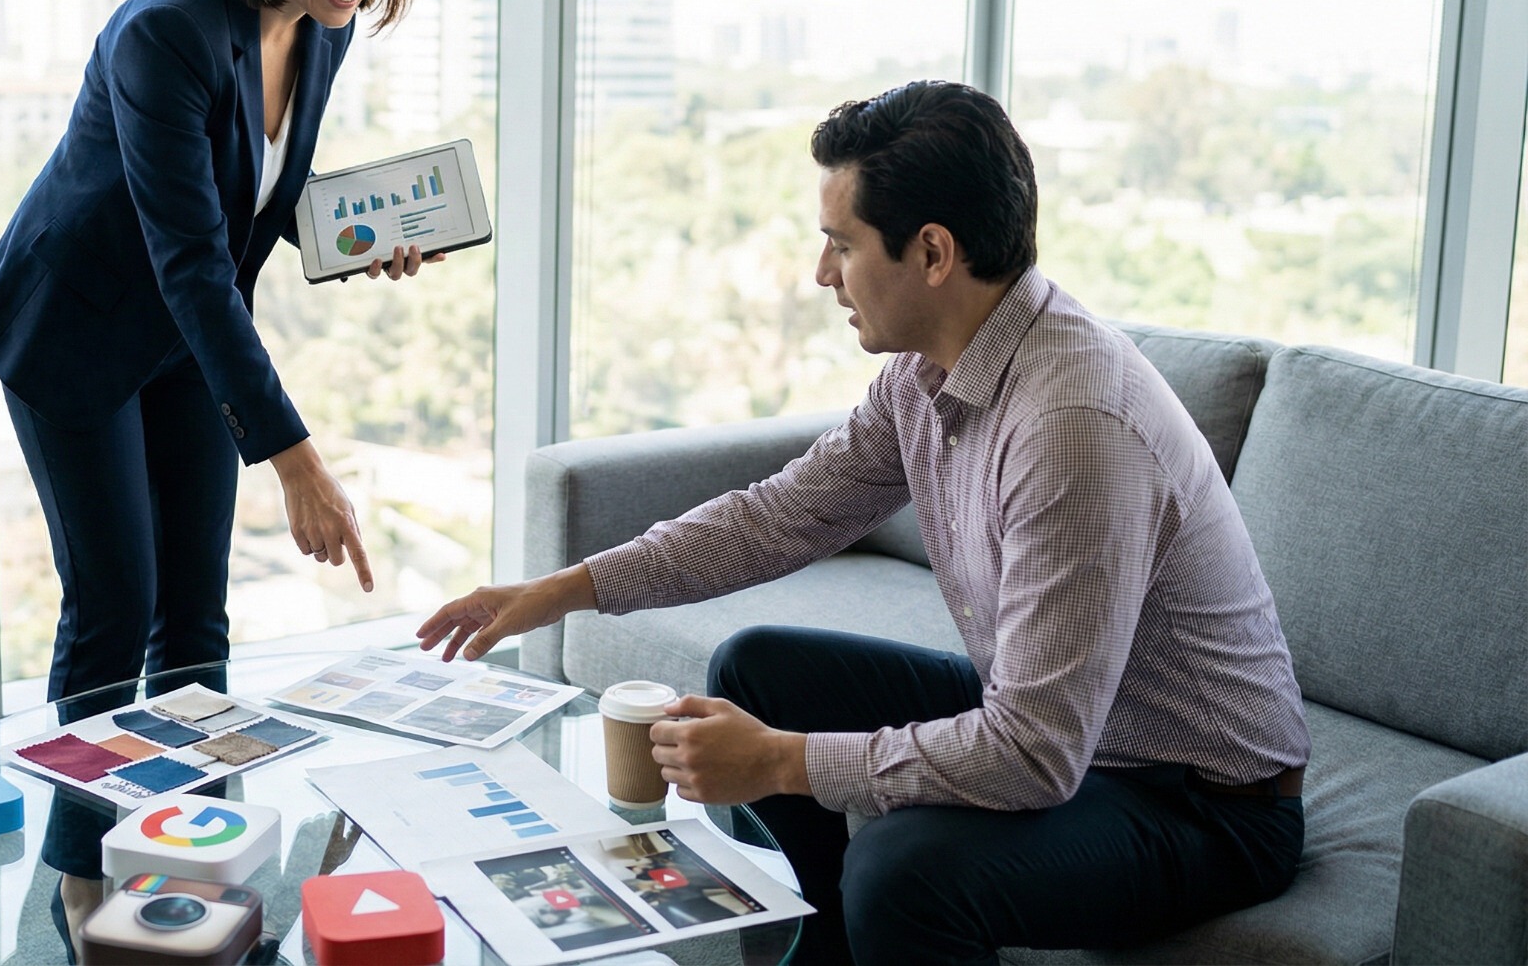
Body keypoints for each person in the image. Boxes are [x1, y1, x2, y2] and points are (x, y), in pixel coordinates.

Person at [417, 80, 1311, 964]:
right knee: (759, 668)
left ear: (931, 252)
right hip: (1081, 723)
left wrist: (778, 762)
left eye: (840, 245)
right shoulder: (926, 374)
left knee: (898, 871)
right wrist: (561, 590)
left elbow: (1036, 755)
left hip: (1199, 800)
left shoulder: (1073, 427)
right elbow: (776, 518)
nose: (821, 274)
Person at [0, 0, 429, 946]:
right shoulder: (162, 33)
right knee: (114, 604)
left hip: (182, 334)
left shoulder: (321, 30)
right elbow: (186, 258)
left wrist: (352, 238)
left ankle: (191, 847)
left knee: (195, 613)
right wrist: (297, 460)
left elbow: (245, 200)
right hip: (71, 330)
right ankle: (82, 876)